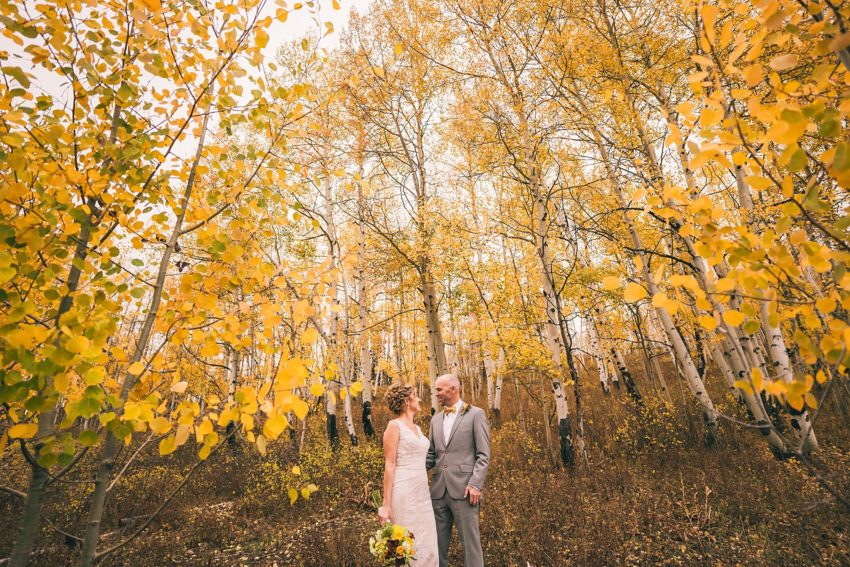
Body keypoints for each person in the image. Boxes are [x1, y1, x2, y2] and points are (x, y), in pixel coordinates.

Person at [426, 373, 490, 567]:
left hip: (465, 492)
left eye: (439, 389)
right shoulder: (435, 420)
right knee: (436, 548)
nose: (436, 393)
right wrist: (409, 472)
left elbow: (483, 454)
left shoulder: (475, 414)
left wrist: (475, 484)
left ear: (452, 389)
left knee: (471, 547)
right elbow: (431, 455)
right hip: (438, 492)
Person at [378, 383, 439, 566]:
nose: (419, 399)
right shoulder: (394, 426)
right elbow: (390, 464)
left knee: (428, 543)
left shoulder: (418, 429)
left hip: (422, 494)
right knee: (408, 545)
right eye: (415, 395)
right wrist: (386, 504)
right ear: (406, 401)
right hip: (404, 492)